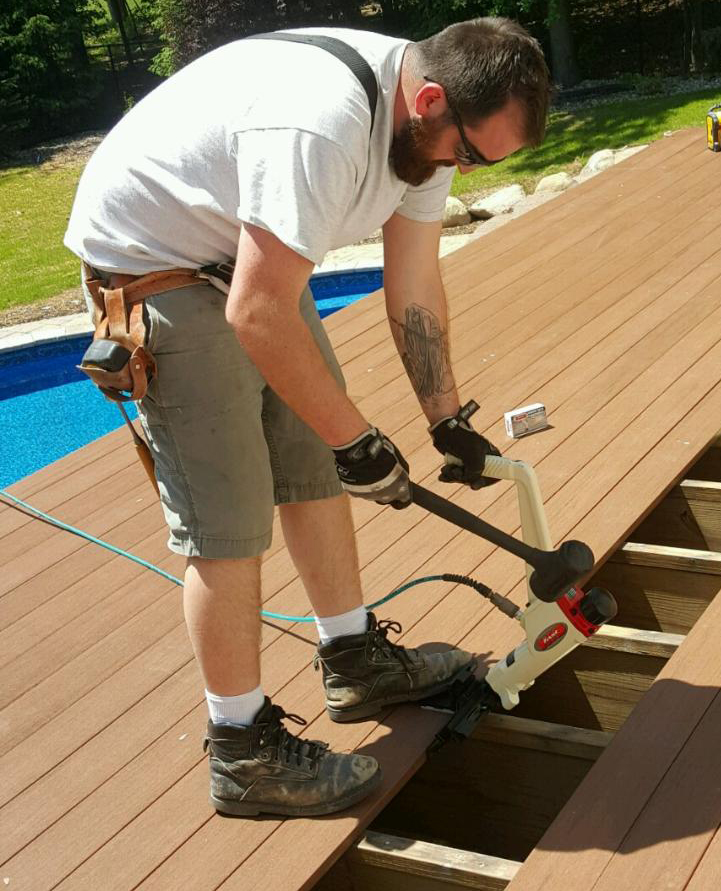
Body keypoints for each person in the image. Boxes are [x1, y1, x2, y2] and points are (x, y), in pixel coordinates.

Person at [63, 16, 552, 818]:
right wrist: (355, 438)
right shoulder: (321, 124)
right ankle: (242, 751)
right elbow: (259, 313)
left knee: (316, 465)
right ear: (429, 99)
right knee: (227, 521)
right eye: (466, 153)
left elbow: (416, 281)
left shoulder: (423, 127)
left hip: (244, 261)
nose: (461, 168)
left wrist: (444, 418)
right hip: (157, 266)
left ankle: (354, 660)